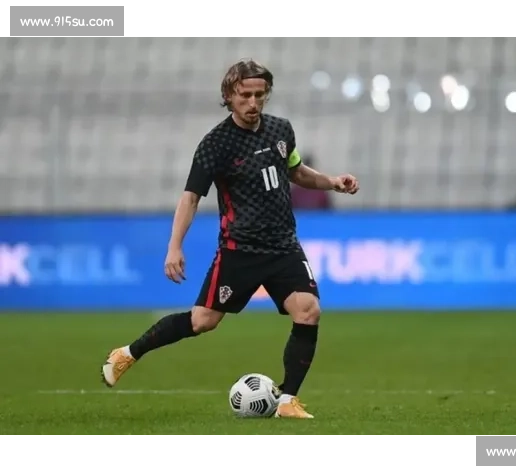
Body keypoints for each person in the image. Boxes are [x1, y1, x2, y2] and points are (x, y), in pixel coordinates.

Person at [100, 59, 359, 419]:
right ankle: (127, 353)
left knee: (308, 310)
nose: (253, 103)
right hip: (240, 251)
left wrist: (331, 181)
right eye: (245, 95)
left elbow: (295, 170)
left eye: (259, 95)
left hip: (284, 246)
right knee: (202, 321)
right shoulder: (216, 144)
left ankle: (287, 401)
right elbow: (190, 197)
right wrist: (175, 246)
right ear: (229, 95)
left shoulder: (281, 130)